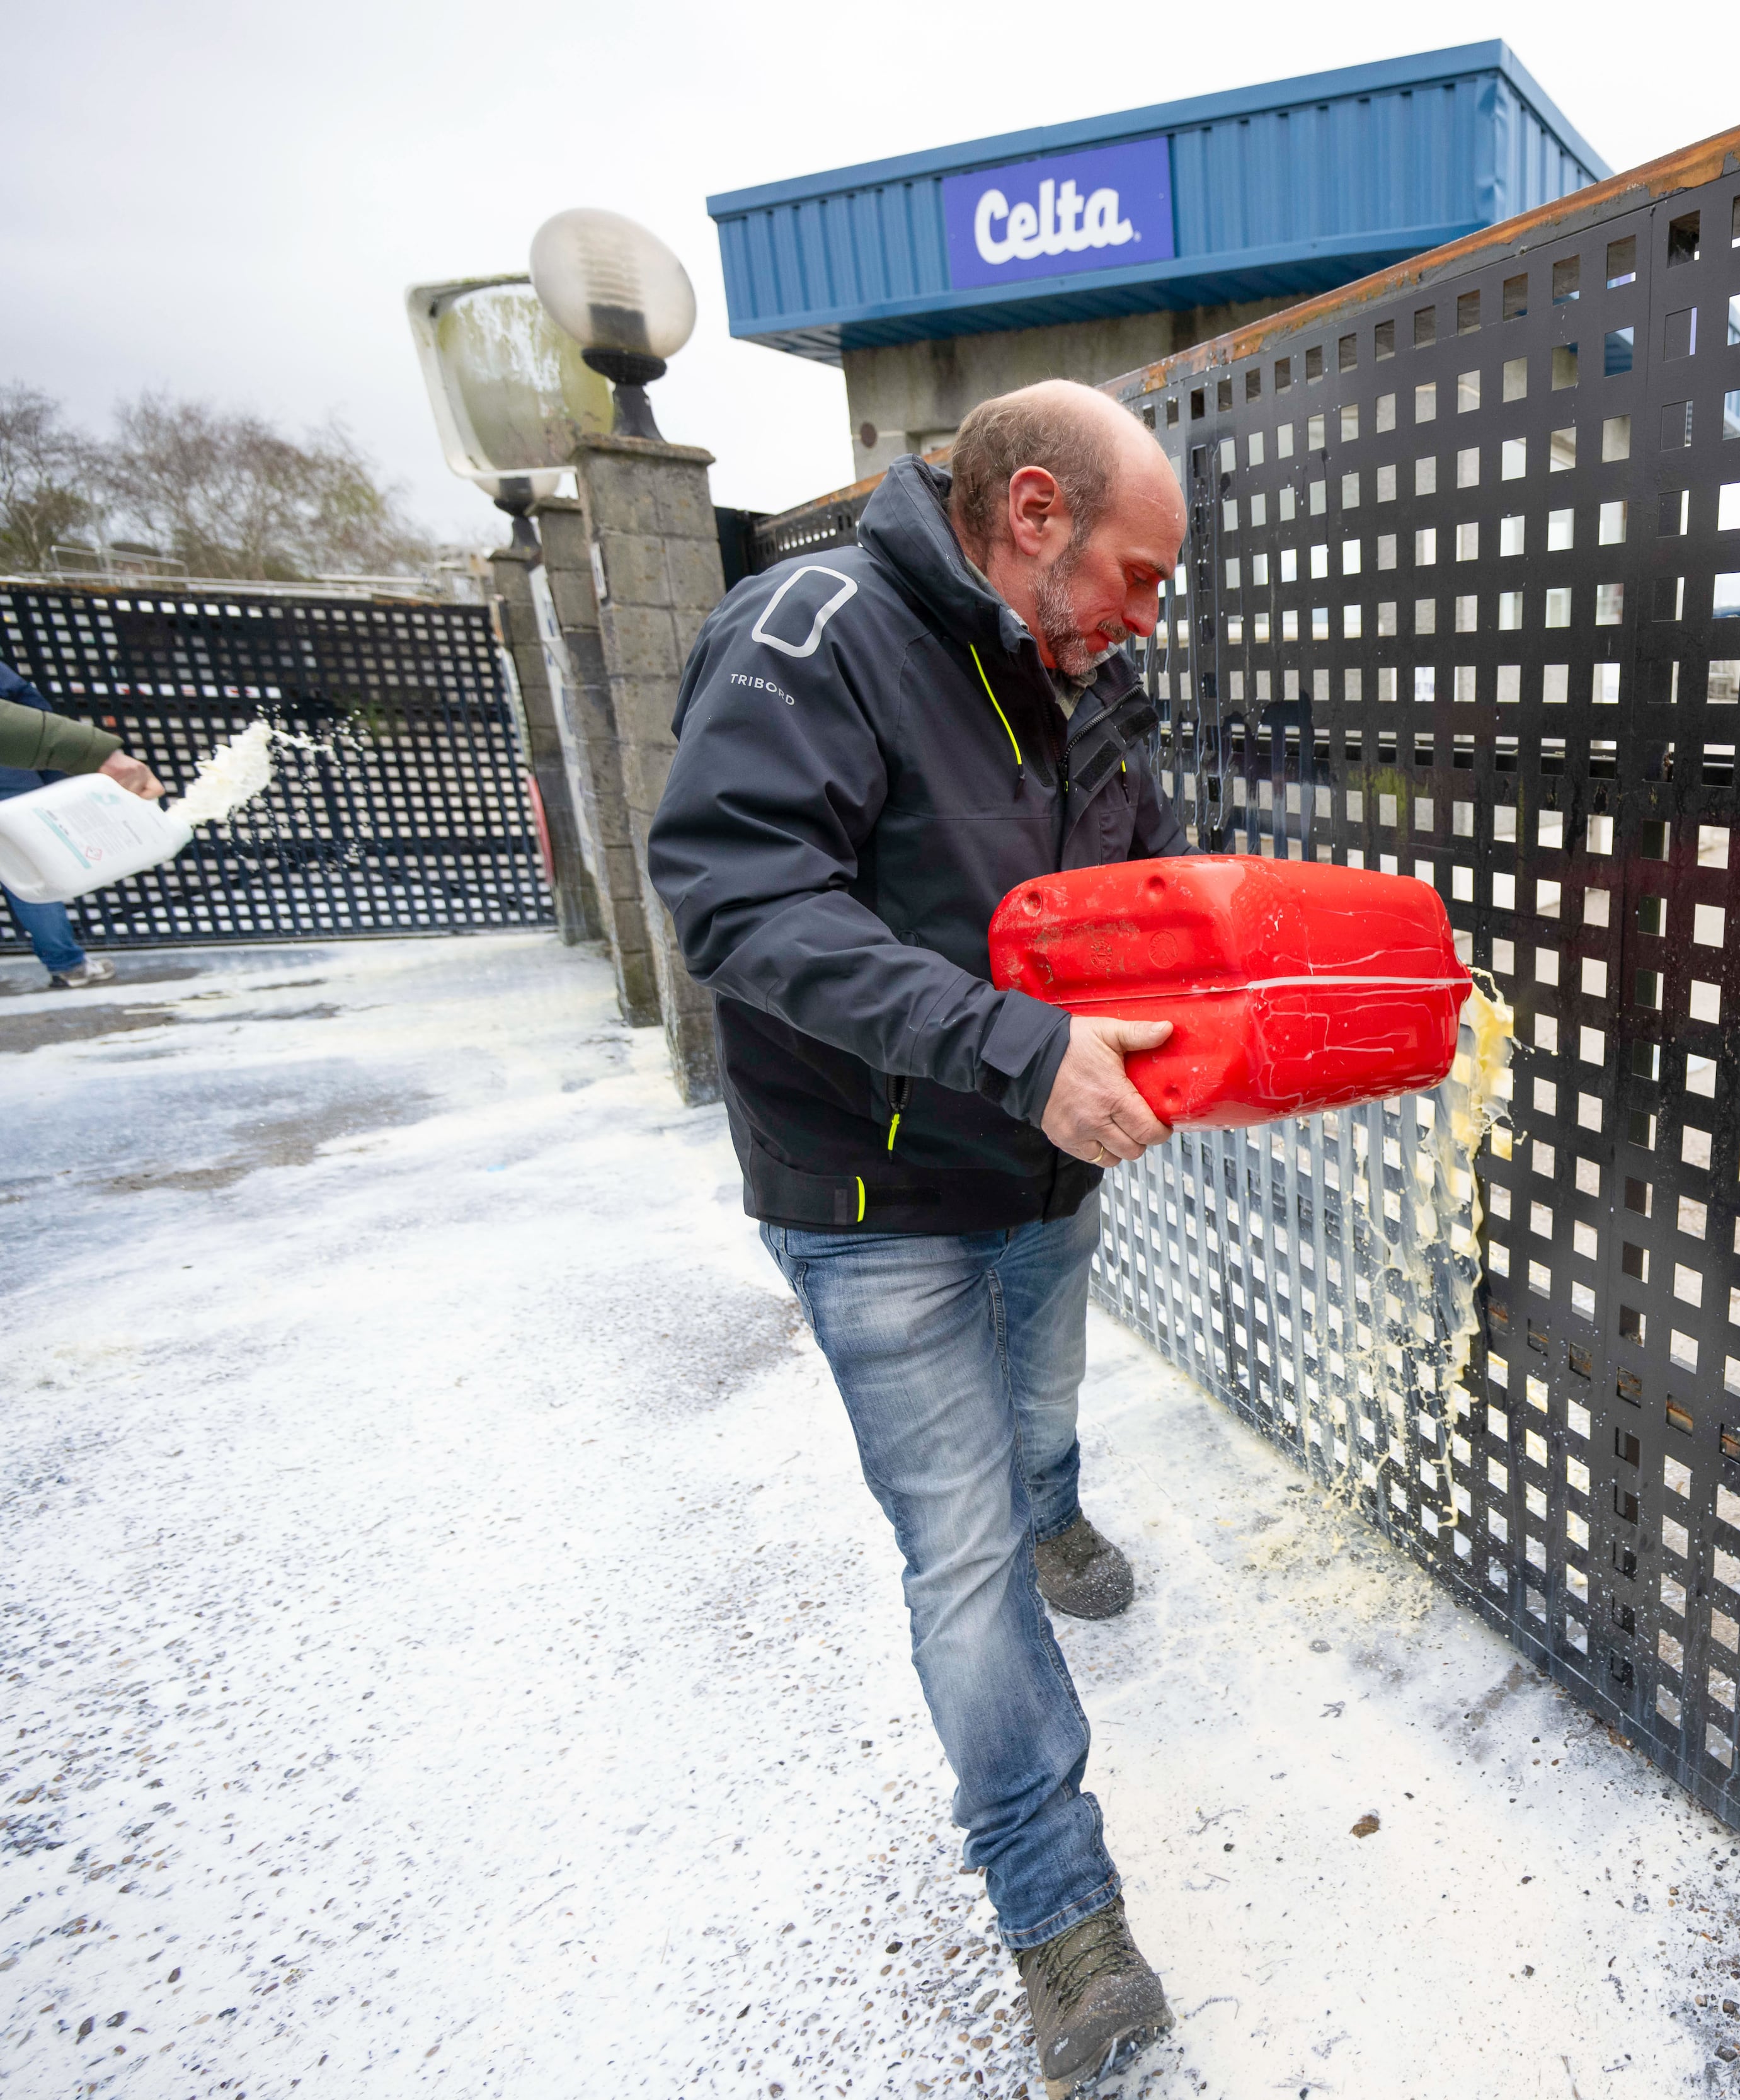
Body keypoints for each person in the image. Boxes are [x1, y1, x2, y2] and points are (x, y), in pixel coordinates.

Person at [647, 380, 1191, 2095]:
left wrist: (1258, 1021)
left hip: (1037, 1183)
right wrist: (1022, 1054)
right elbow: (735, 895)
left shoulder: (1086, 678)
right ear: (1033, 510)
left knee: (1037, 1426)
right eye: (1138, 570)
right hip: (871, 1197)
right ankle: (1060, 1913)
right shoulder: (817, 631)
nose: (1146, 612)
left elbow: (1134, 902)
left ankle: (1058, 1504)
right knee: (960, 1557)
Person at [2, 662, 166, 988]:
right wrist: (62, 765)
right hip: (11, 769)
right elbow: (28, 700)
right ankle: (68, 965)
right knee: (28, 871)